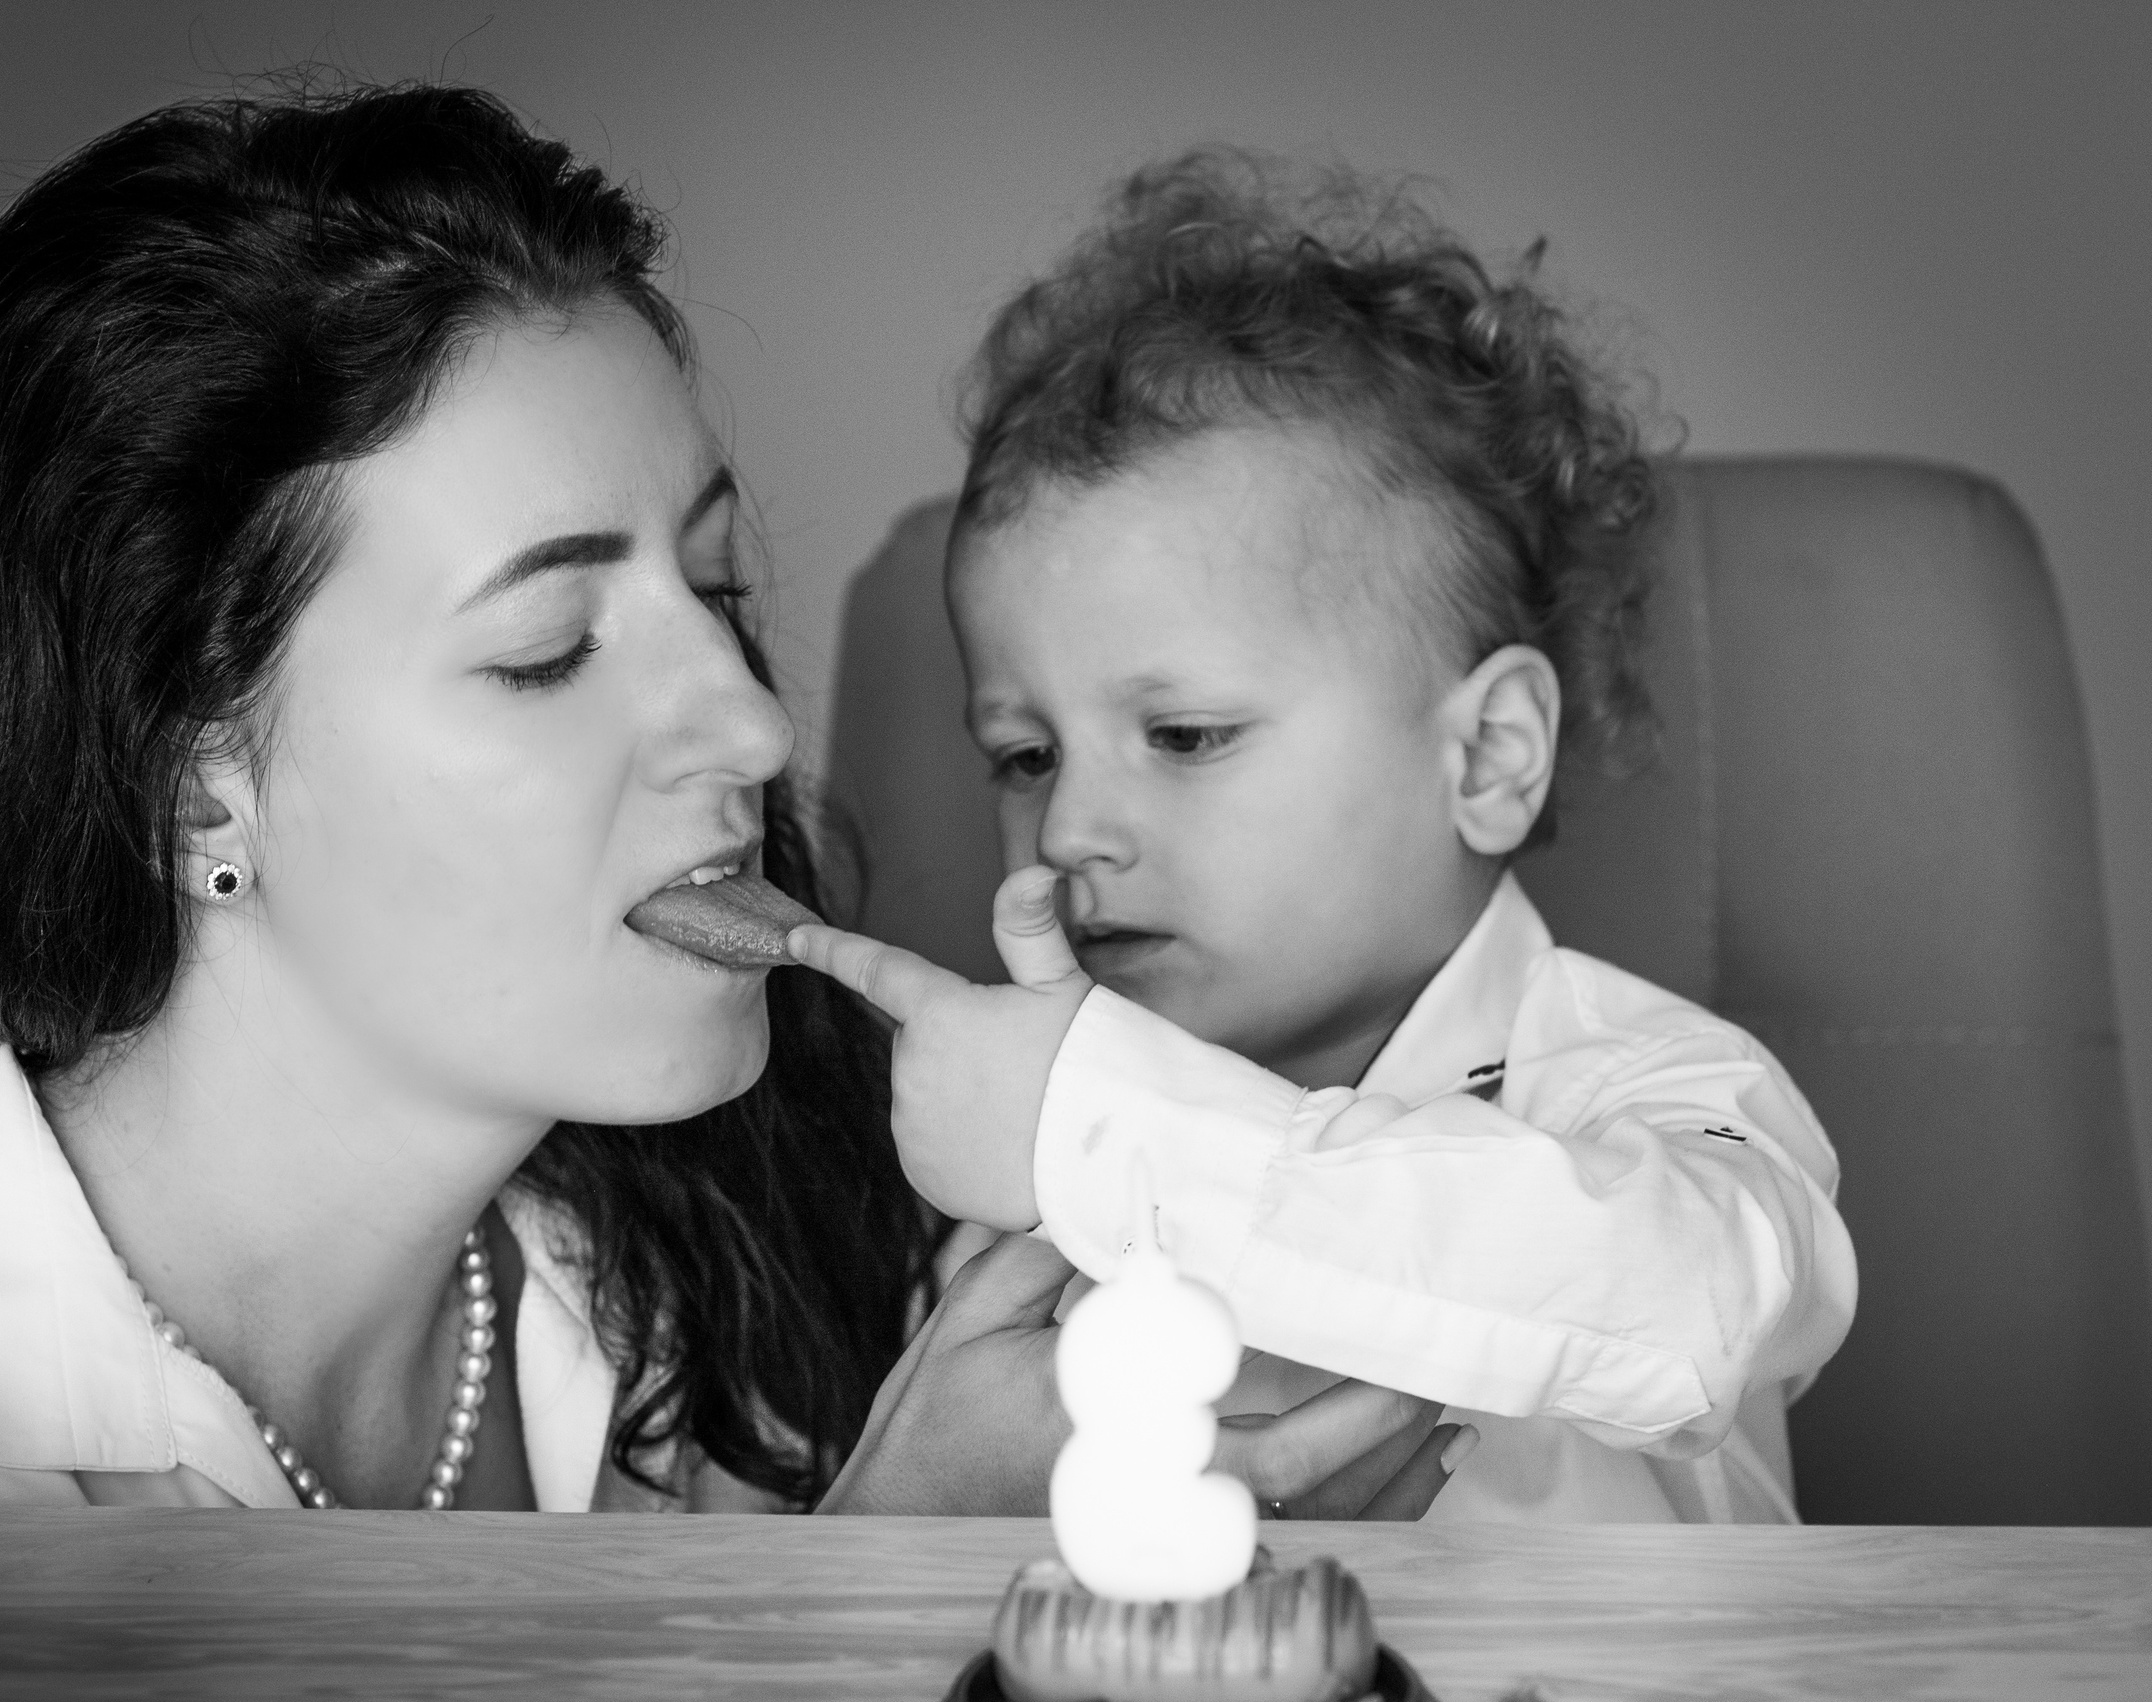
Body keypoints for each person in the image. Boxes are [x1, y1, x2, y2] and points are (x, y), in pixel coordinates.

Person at [0, 89, 1447, 1522]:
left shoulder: (713, 1260)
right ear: (185, 779)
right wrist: (871, 1599)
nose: (742, 716)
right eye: (552, 645)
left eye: (716, 595)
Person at [791, 152, 1858, 1523]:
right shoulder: (1018, 1196)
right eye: (1023, 754)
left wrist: (1111, 1137)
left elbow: (1696, 1308)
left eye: (1183, 736)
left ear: (1485, 757)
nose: (1065, 826)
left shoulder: (1651, 1091)